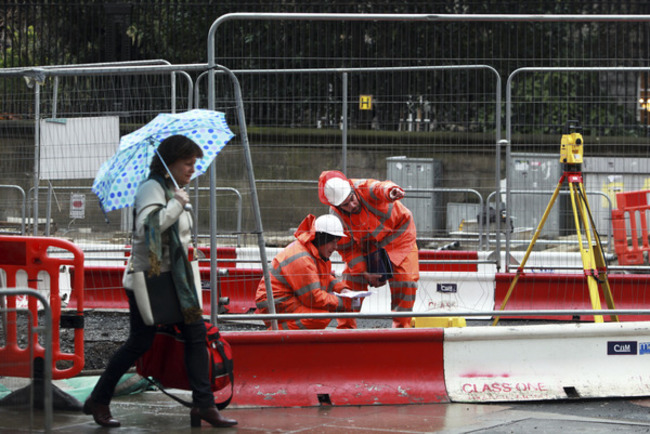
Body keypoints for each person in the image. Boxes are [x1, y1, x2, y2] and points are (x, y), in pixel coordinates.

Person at [83, 135, 237, 428]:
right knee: (139, 343)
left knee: (195, 336)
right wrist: (177, 206)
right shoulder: (151, 189)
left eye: (195, 163)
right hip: (151, 280)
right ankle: (99, 399)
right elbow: (147, 230)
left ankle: (203, 405)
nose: (192, 169)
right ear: (170, 163)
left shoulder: (171, 188)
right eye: (187, 163)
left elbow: (174, 236)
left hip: (175, 281)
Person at [318, 170, 419, 329]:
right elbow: (348, 249)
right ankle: (345, 330)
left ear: (352, 191)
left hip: (399, 238)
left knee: (405, 281)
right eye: (345, 205)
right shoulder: (336, 217)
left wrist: (391, 191)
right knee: (350, 283)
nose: (352, 205)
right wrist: (364, 272)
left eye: (351, 199)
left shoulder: (362, 187)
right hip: (367, 245)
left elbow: (379, 188)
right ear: (337, 206)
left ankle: (401, 329)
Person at [255, 213, 363, 330]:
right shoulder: (303, 258)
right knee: (319, 317)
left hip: (281, 299)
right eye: (333, 241)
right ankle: (274, 333)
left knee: (322, 313)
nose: (335, 247)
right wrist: (344, 302)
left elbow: (325, 278)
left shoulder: (313, 253)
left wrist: (341, 289)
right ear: (322, 239)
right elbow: (313, 299)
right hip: (275, 302)